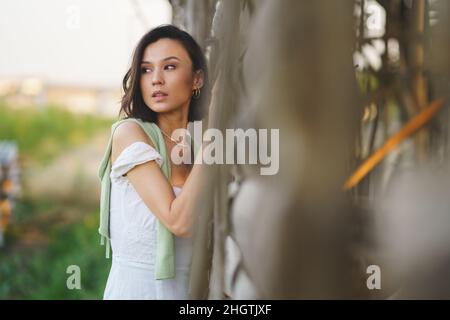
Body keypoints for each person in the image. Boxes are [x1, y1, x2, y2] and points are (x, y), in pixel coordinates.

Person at [101, 24, 209, 299]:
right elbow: (179, 221)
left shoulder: (197, 147)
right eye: (147, 69)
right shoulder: (130, 134)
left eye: (169, 67)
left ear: (197, 79)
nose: (155, 79)